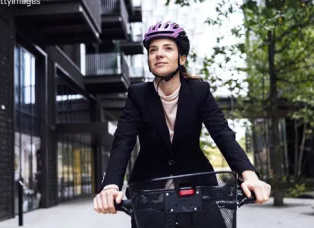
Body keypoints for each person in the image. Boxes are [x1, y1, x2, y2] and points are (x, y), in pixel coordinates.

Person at [93, 21, 271, 226]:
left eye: (168, 48)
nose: (159, 54)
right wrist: (110, 186)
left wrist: (250, 176)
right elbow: (123, 140)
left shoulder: (199, 91)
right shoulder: (138, 94)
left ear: (182, 57)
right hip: (150, 190)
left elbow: (223, 134)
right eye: (153, 50)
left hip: (199, 187)